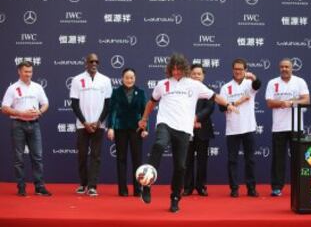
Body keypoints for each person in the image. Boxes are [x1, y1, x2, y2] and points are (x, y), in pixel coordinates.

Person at [137, 53, 236, 213]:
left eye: (178, 69)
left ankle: (175, 198)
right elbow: (151, 102)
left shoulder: (194, 84)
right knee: (159, 144)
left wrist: (229, 104)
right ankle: (147, 185)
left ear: (184, 69)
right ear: (169, 69)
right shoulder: (162, 84)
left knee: (181, 166)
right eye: (173, 69)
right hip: (165, 123)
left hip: (183, 129)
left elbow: (214, 96)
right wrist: (144, 119)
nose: (176, 72)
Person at [1, 61, 52, 196]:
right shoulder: (12, 88)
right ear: (19, 72)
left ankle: (39, 187)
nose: (28, 74)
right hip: (17, 125)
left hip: (34, 124)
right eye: (26, 72)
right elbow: (4, 108)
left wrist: (40, 112)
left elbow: (46, 103)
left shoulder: (37, 87)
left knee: (37, 157)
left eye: (30, 72)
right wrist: (21, 113)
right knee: (18, 158)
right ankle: (21, 187)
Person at [265, 58, 310, 197]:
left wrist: (290, 103)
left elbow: (306, 100)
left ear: (292, 68)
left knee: (298, 158)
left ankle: (299, 186)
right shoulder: (273, 82)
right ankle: (277, 187)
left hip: (296, 126)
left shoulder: (300, 81)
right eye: (282, 67)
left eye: (287, 67)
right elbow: (269, 103)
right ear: (279, 68)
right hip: (279, 127)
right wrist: (281, 103)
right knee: (278, 159)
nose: (284, 69)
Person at [70, 53, 112, 197]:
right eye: (91, 61)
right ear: (86, 63)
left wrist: (99, 122)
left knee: (96, 156)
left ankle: (92, 186)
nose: (94, 64)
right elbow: (74, 104)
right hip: (82, 125)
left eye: (96, 61)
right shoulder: (77, 80)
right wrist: (84, 122)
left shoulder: (105, 80)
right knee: (82, 155)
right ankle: (83, 184)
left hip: (98, 125)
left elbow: (108, 105)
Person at [219, 58, 261, 198]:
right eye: (236, 69)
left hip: (248, 127)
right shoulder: (226, 87)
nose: (238, 71)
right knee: (232, 160)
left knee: (250, 160)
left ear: (245, 70)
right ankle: (234, 188)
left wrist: (253, 77)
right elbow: (222, 107)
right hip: (232, 129)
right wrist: (238, 101)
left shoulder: (249, 84)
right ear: (232, 70)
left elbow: (257, 84)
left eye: (241, 69)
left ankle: (251, 188)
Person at [107, 68, 148, 197]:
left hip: (136, 130)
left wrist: (145, 129)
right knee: (121, 159)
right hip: (120, 129)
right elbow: (112, 111)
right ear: (122, 78)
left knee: (137, 160)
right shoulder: (116, 92)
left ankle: (138, 189)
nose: (129, 80)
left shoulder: (140, 92)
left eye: (131, 77)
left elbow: (144, 112)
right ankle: (122, 190)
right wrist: (111, 127)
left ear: (135, 78)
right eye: (127, 77)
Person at [183, 64, 215, 197]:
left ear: (203, 76)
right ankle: (187, 187)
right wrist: (190, 121)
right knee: (187, 160)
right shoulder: (184, 90)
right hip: (186, 129)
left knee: (202, 160)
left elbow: (209, 108)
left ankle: (201, 186)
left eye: (199, 74)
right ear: (189, 75)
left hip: (203, 129)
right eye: (194, 74)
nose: (196, 76)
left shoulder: (208, 90)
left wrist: (196, 119)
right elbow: (181, 107)